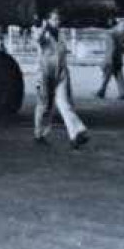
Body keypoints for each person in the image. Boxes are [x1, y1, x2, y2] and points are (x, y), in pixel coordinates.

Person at [33, 10, 90, 149]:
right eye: (54, 19)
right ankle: (39, 134)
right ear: (48, 20)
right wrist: (44, 27)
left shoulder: (61, 35)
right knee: (44, 106)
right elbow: (37, 39)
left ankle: (76, 134)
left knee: (65, 104)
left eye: (58, 19)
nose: (57, 22)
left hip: (61, 73)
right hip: (44, 73)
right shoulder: (42, 33)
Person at [96, 21, 124, 99]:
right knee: (119, 76)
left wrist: (108, 60)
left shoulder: (110, 34)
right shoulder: (122, 31)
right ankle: (122, 93)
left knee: (107, 77)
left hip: (111, 58)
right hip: (118, 57)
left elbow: (111, 48)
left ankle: (102, 91)